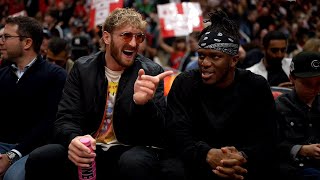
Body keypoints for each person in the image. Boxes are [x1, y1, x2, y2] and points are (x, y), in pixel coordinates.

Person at [25, 8, 185, 180]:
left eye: (139, 37)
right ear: (107, 37)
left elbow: (158, 134)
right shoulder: (82, 68)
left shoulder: (151, 71)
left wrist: (143, 104)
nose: (133, 43)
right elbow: (65, 117)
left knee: (133, 162)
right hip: (90, 146)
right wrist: (73, 139)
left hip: (128, 148)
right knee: (41, 157)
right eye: (126, 35)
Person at [165, 9, 279, 180]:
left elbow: (268, 138)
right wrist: (207, 154)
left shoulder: (256, 86)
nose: (205, 63)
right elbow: (176, 133)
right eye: (201, 56)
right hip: (195, 161)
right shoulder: (184, 82)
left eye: (215, 57)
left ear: (233, 60)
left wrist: (241, 157)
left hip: (241, 164)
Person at [0, 16, 67, 180]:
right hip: (2, 145)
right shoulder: (2, 75)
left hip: (33, 149)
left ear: (27, 43)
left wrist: (13, 154)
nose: (1, 41)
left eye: (6, 37)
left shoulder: (55, 76)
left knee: (13, 178)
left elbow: (48, 123)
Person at [275, 51, 320, 180]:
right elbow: (270, 145)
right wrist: (301, 149)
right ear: (292, 78)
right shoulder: (279, 106)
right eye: (307, 84)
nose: (314, 89)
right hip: (294, 168)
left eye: (318, 83)